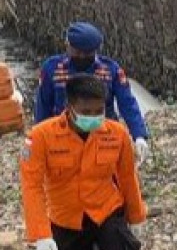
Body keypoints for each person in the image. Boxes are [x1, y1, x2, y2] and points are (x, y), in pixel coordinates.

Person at [20, 75, 159, 250]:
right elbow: (31, 186)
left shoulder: (115, 133)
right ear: (70, 106)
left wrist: (136, 215)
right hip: (66, 214)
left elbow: (127, 177)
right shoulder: (40, 137)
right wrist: (41, 235)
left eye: (100, 111)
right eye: (87, 112)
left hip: (106, 208)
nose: (94, 118)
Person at [34, 21, 151, 167]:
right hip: (64, 135)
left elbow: (127, 102)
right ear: (68, 46)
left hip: (104, 136)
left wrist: (139, 134)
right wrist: (39, 139)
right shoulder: (52, 69)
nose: (82, 57)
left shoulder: (110, 70)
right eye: (78, 52)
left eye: (87, 53)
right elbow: (43, 105)